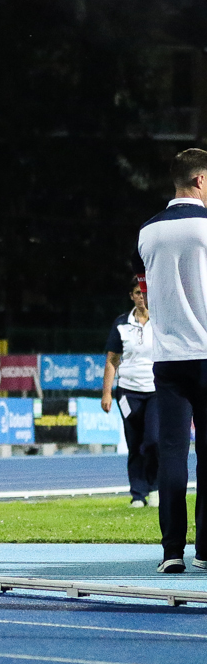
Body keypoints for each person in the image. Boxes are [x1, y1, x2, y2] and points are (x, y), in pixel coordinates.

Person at [137, 148, 207, 574]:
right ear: (200, 180)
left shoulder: (147, 231)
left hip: (167, 359)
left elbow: (146, 284)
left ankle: (171, 552)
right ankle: (206, 550)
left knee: (173, 454)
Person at [102, 275, 158, 509]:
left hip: (156, 391)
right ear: (131, 296)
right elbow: (112, 360)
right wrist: (106, 392)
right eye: (137, 293)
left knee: (153, 441)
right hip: (128, 392)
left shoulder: (161, 321)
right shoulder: (121, 324)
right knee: (134, 443)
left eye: (145, 292)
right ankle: (138, 494)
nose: (142, 297)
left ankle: (155, 487)